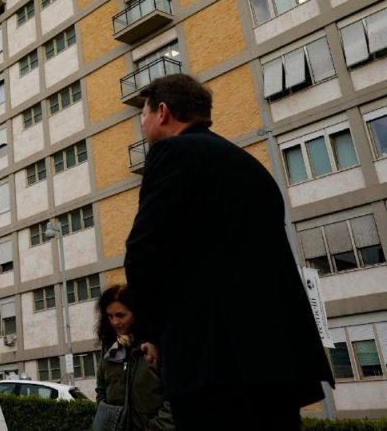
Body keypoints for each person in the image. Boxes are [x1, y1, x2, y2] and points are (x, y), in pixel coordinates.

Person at [124, 74, 332, 430]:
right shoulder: (251, 167)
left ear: (162, 112)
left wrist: (149, 332)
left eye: (142, 114)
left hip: (212, 361)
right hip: (277, 362)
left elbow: (145, 250)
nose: (141, 123)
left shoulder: (172, 153)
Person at [93, 284, 174, 431]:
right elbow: (101, 388)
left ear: (137, 313)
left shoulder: (157, 345)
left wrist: (155, 427)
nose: (114, 322)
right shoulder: (110, 345)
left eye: (120, 315)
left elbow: (174, 396)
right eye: (110, 316)